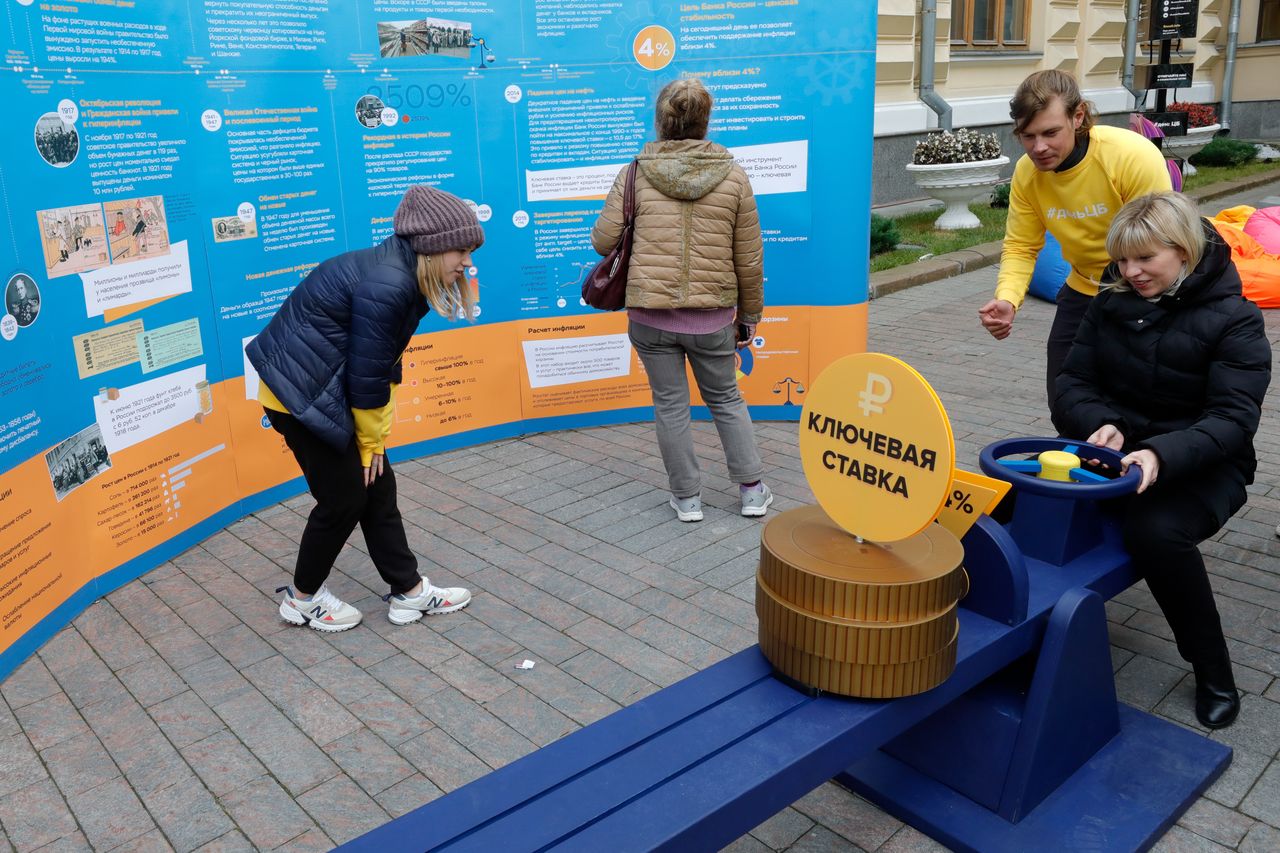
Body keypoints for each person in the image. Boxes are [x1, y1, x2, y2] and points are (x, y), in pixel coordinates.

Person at [1053, 191, 1271, 729]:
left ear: (1184, 252)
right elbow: (1072, 383)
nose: (1130, 272)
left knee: (1155, 534)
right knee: (1025, 503)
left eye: (1145, 258)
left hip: (1206, 465)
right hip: (1119, 450)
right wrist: (1100, 423)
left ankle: (1212, 669)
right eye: (1123, 260)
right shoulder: (1109, 302)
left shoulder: (1235, 320)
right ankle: (1025, 635)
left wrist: (1158, 454)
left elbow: (1232, 420)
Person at [246, 185, 482, 632]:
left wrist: (373, 444)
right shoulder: (390, 283)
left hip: (321, 390)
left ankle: (409, 593)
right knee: (344, 499)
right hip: (299, 397)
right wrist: (372, 442)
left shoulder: (401, 272)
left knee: (377, 490)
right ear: (431, 247)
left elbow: (378, 362)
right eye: (461, 251)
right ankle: (302, 599)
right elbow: (367, 378)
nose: (467, 262)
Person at [590, 77, 771, 523]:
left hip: (650, 317)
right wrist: (749, 317)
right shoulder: (733, 176)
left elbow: (602, 241)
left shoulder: (633, 173)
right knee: (727, 400)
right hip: (712, 319)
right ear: (705, 122)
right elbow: (748, 259)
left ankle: (687, 498)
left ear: (661, 120)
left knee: (670, 404)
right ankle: (751, 492)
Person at [979, 70, 1173, 406]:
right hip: (1083, 288)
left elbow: (1160, 243)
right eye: (1028, 136)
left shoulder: (1130, 156)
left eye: (1050, 132)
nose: (1039, 148)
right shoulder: (1027, 174)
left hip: (1145, 290)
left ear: (1078, 116)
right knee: (1065, 396)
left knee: (1136, 398)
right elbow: (1021, 246)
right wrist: (1007, 299)